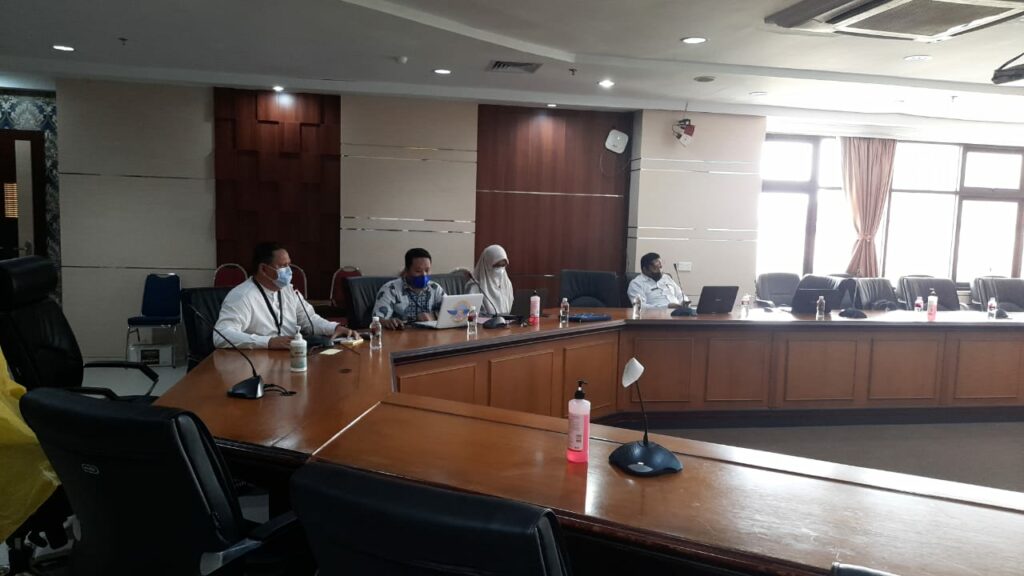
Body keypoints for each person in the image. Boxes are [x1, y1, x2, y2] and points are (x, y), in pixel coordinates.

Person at [214, 242, 357, 349]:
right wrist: (268, 342)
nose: (289, 271)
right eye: (282, 266)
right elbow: (221, 335)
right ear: (263, 269)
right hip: (259, 359)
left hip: (291, 354)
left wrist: (334, 328)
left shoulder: (288, 290)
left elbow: (309, 319)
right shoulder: (242, 296)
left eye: (289, 265)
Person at [373, 248, 446, 330]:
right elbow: (376, 320)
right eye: (418, 271)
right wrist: (388, 322)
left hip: (430, 335)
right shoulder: (390, 289)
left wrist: (433, 316)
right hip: (400, 335)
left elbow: (450, 312)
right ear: (406, 271)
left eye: (427, 270)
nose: (424, 275)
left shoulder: (435, 288)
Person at [467, 244, 514, 316]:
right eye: (497, 266)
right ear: (486, 265)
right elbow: (471, 315)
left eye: (503, 266)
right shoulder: (475, 287)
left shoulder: (507, 284)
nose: (500, 270)